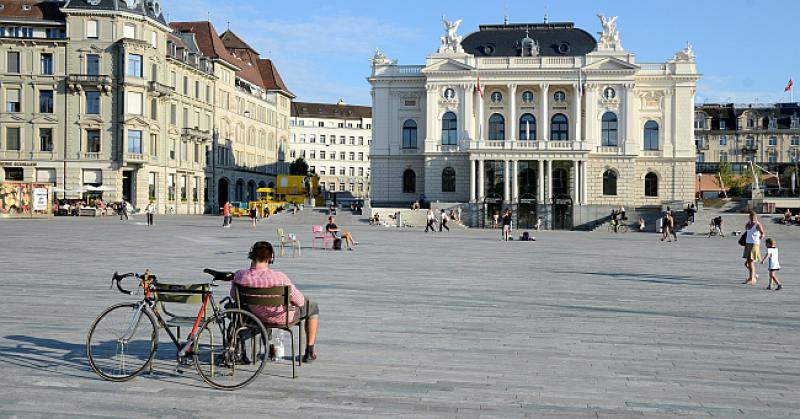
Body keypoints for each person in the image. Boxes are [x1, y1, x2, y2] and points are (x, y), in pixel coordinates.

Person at [232, 241, 320, 363]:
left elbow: (234, 296)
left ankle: (267, 345)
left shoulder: (240, 276)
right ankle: (310, 352)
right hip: (282, 317)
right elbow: (300, 302)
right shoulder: (279, 277)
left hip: (255, 316)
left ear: (251, 256)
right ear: (270, 258)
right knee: (313, 307)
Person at [743, 211, 765, 285]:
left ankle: (752, 279)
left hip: (754, 244)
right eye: (751, 217)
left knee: (751, 262)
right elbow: (748, 233)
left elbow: (763, 233)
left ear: (756, 217)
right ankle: (753, 276)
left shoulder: (758, 225)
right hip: (748, 244)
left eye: (754, 217)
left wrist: (761, 237)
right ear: (749, 217)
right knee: (747, 263)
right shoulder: (747, 224)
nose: (753, 218)